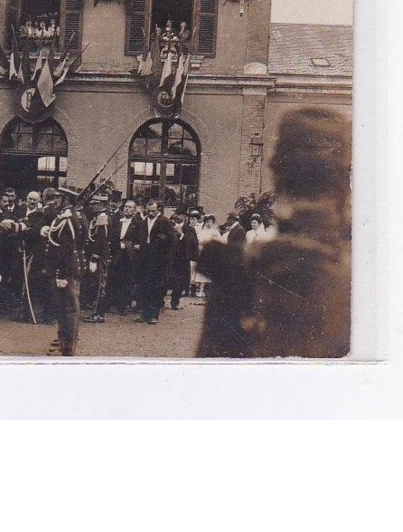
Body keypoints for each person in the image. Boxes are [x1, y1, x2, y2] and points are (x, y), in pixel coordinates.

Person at [198, 107, 351, 358]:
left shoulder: (238, 270)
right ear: (344, 185)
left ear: (276, 175)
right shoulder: (368, 275)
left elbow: (210, 375)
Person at [42, 188, 87, 356]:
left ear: (65, 199)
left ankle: (68, 348)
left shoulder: (68, 219)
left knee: (69, 309)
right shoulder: (64, 216)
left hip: (66, 270)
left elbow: (68, 249)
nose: (55, 200)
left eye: (58, 198)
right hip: (64, 268)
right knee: (63, 308)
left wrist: (61, 273)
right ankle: (64, 344)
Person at [135, 199, 176, 325]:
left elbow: (171, 239)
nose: (151, 213)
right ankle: (144, 314)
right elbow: (140, 236)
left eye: (153, 211)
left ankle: (153, 315)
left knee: (156, 288)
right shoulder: (143, 222)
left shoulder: (165, 222)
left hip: (159, 260)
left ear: (158, 210)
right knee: (144, 286)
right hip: (145, 258)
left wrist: (158, 244)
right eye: (149, 211)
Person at [169, 209, 198, 310]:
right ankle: (160, 301)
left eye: (180, 215)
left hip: (182, 259)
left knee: (180, 282)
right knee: (167, 279)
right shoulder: (169, 226)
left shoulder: (189, 229)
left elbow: (193, 242)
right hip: (170, 257)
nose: (177, 216)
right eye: (176, 214)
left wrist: (181, 235)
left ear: (185, 217)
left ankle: (175, 301)